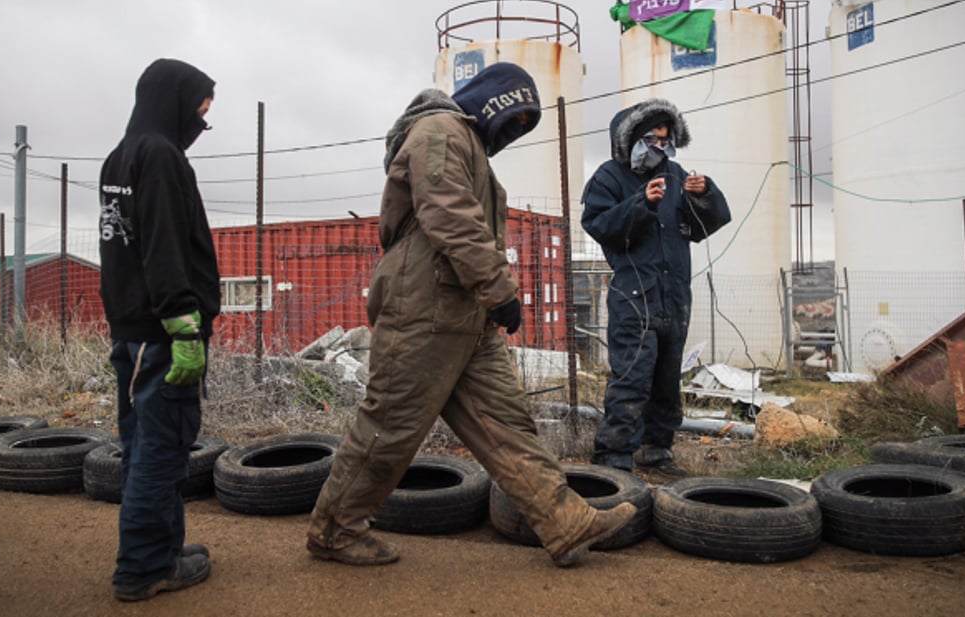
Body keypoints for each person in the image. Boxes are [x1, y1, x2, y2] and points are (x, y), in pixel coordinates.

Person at [306, 63, 636, 568]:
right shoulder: (440, 129)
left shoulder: (469, 146)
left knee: (507, 423)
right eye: (514, 119)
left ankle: (564, 522)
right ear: (491, 101)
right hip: (423, 309)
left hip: (464, 314)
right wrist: (498, 287)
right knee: (391, 426)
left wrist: (489, 297)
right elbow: (448, 212)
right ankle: (334, 529)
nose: (514, 132)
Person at [98, 58, 220, 602]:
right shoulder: (164, 158)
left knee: (140, 444)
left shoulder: (118, 157)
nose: (200, 121)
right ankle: (144, 567)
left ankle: (163, 551)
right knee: (163, 448)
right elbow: (164, 249)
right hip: (165, 332)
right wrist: (185, 328)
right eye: (199, 109)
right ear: (173, 102)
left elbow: (120, 246)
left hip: (130, 330)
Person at [581, 99, 730, 476]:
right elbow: (597, 224)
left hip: (675, 296)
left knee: (666, 379)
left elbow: (701, 228)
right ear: (630, 138)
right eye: (652, 139)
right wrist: (640, 204)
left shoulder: (677, 175)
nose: (660, 148)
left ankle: (657, 452)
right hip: (634, 295)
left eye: (666, 140)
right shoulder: (609, 177)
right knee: (632, 375)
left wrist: (704, 195)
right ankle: (614, 458)